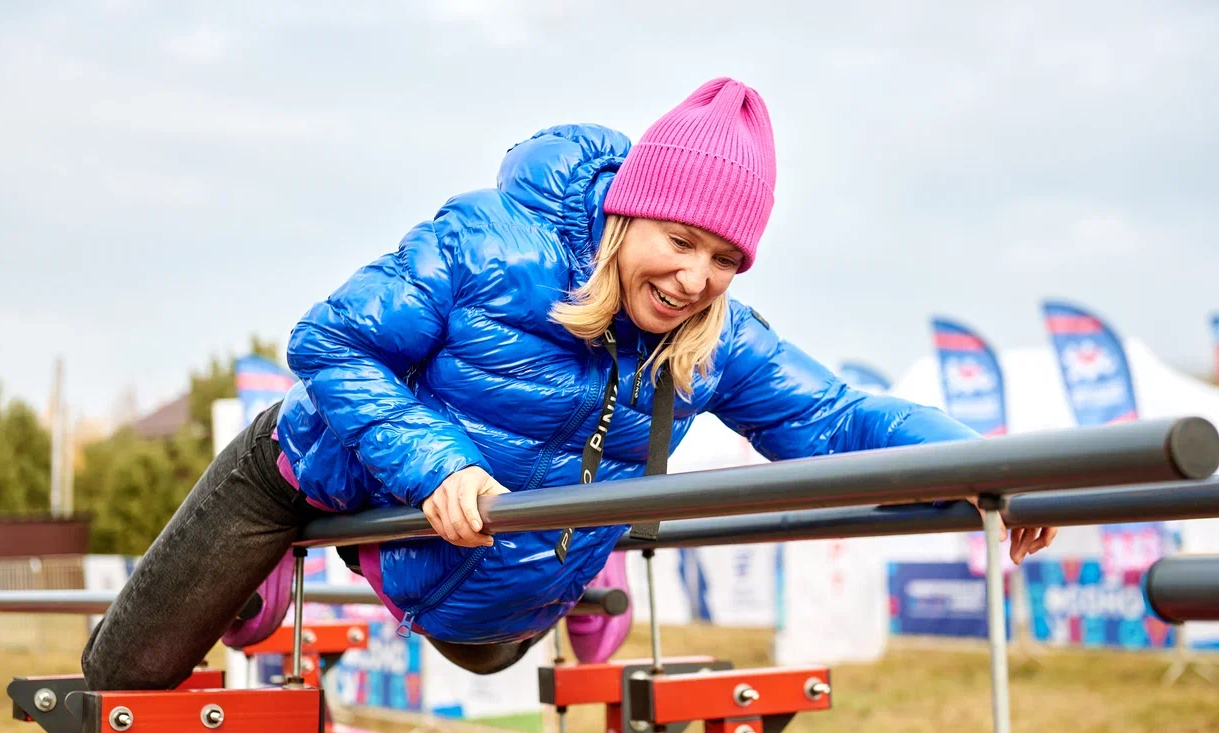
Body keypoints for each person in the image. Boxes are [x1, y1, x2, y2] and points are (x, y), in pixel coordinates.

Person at [81, 78, 1056, 691]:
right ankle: (277, 560)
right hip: (314, 467)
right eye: (680, 240)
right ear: (628, 215)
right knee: (120, 678)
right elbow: (329, 340)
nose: (694, 278)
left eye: (725, 258)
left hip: (484, 558)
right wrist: (438, 463)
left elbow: (836, 421)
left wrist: (978, 465)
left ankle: (576, 563)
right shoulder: (490, 244)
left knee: (483, 642)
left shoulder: (713, 337)